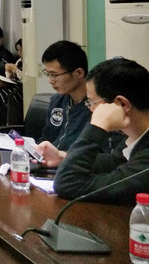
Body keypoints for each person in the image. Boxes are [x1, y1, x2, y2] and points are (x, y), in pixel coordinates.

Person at [54, 58, 149, 203]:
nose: (91, 109)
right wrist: (63, 157)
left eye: (92, 103)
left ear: (122, 104)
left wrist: (97, 128)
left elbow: (68, 184)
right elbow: (114, 162)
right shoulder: (136, 137)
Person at [34, 41, 91, 167]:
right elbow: (47, 136)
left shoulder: (96, 106)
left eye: (54, 75)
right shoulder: (58, 100)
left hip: (75, 167)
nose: (50, 81)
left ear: (78, 73)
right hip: (49, 166)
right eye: (48, 74)